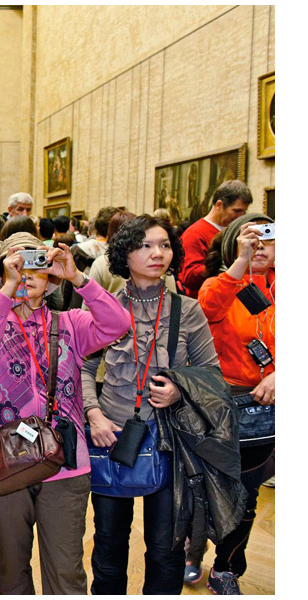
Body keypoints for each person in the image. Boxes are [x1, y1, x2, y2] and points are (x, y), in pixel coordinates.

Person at [0, 232, 129, 594]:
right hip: (5, 463)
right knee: (11, 569)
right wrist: (7, 290)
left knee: (66, 573)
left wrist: (78, 277)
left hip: (66, 464)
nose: (25, 270)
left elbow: (117, 325)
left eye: (35, 261)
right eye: (15, 262)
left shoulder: (71, 323)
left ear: (50, 274)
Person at [82, 216, 220, 594]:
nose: (157, 253)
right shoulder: (105, 307)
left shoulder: (187, 310)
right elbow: (82, 368)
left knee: (166, 547)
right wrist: (93, 413)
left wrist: (179, 389)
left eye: (163, 245)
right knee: (108, 542)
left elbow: (211, 373)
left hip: (171, 440)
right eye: (144, 246)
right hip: (111, 437)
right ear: (124, 255)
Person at [195, 214, 275, 594]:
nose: (261, 245)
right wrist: (240, 261)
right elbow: (207, 310)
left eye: (269, 237)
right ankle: (192, 549)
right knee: (210, 486)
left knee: (247, 493)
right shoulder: (221, 285)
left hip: (271, 408)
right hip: (225, 404)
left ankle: (226, 568)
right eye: (251, 238)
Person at [178, 180, 253, 298]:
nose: (241, 216)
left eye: (244, 211)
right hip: (206, 301)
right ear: (219, 205)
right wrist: (219, 262)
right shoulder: (194, 233)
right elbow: (189, 278)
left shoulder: (236, 230)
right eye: (237, 211)